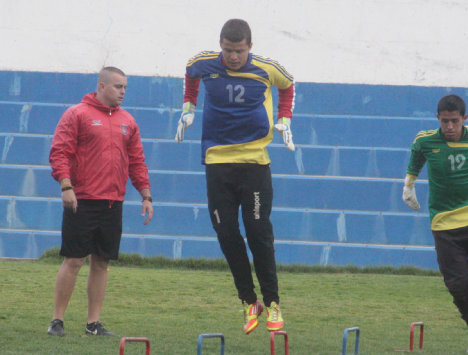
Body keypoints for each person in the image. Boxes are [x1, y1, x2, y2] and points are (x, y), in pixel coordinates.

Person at [175, 19, 295, 334]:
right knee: (226, 232)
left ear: (249, 47)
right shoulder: (205, 64)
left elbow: (287, 84)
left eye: (239, 51)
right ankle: (249, 301)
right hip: (217, 160)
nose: (233, 57)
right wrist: (188, 106)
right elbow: (190, 72)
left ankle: (272, 303)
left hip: (254, 161)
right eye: (228, 50)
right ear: (221, 46)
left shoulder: (266, 68)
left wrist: (285, 118)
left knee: (257, 231)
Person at [47, 66, 154, 337]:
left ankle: (93, 323)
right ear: (102, 86)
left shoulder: (128, 121)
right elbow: (59, 152)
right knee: (74, 260)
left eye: (125, 88)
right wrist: (66, 186)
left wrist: (146, 194)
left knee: (102, 262)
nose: (122, 92)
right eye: (118, 87)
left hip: (112, 202)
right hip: (81, 199)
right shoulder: (77, 114)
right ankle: (57, 320)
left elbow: (137, 161)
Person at [402, 94, 468, 354]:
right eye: (444, 121)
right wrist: (409, 185)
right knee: (458, 284)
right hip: (443, 222)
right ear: (437, 119)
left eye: (454, 121)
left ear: (464, 119)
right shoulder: (425, 141)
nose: (449, 127)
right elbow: (415, 161)